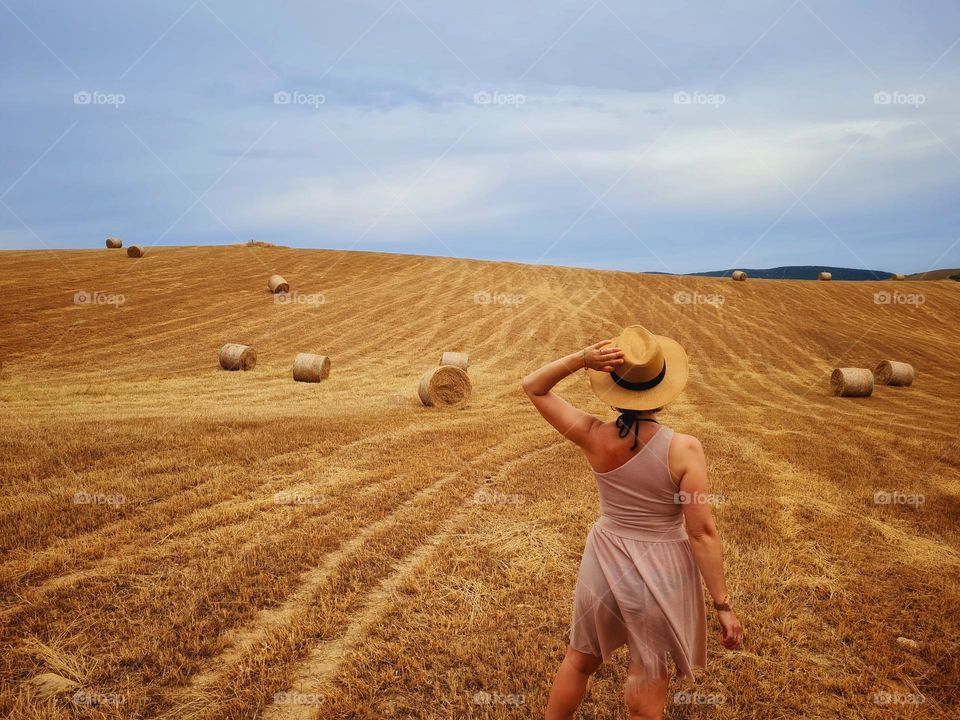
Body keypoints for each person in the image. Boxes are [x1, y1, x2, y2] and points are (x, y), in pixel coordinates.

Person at [521, 325, 743, 720]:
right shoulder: (683, 449)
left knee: (579, 660)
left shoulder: (593, 436)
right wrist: (722, 605)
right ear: (663, 387)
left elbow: (534, 387)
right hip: (662, 571)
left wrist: (580, 359)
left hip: (602, 561)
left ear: (613, 386)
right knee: (648, 674)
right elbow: (702, 532)